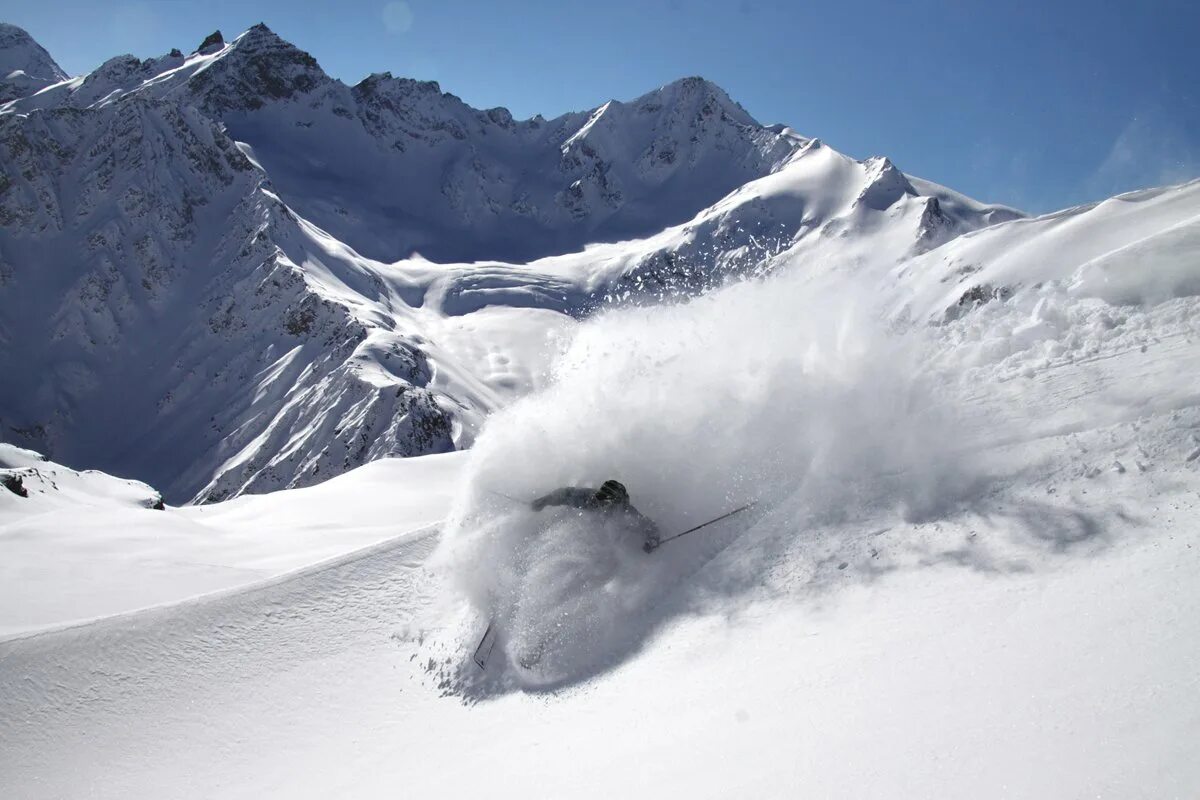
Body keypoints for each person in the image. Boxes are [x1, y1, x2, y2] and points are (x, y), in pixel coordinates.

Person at [531, 479, 661, 552]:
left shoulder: (628, 514)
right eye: (601, 499)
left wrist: (652, 542)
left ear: (619, 501)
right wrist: (544, 500)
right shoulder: (590, 500)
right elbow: (566, 493)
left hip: (616, 542)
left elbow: (650, 527)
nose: (602, 503)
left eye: (607, 501)